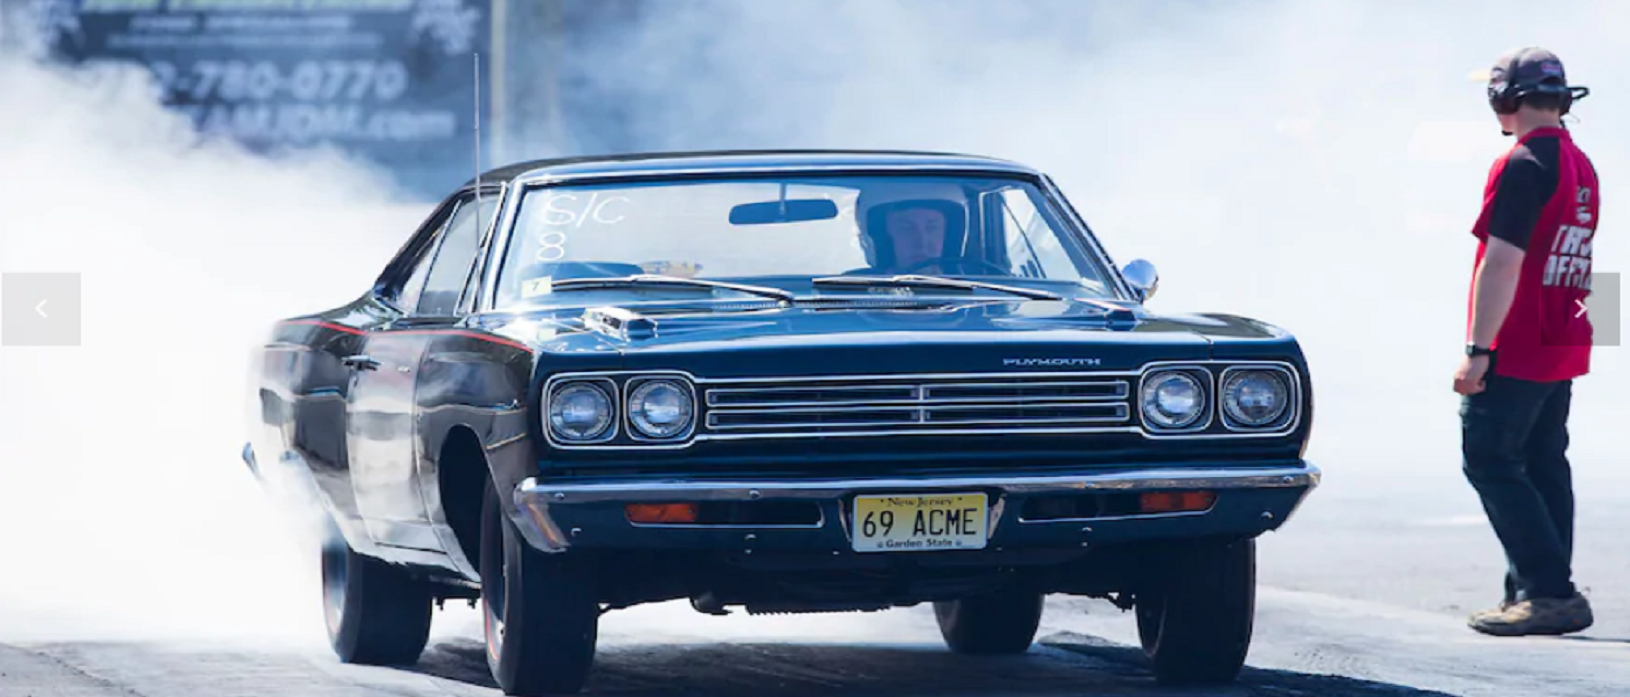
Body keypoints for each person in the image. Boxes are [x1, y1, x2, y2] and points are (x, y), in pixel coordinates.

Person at [1456, 47, 1598, 637]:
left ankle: (1548, 591)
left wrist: (1477, 349)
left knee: (1489, 458)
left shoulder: (1521, 163)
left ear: (1505, 99)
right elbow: (1588, 252)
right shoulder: (1582, 163)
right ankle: (1535, 589)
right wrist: (1590, 339)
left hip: (1519, 340)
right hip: (1565, 332)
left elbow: (1503, 263)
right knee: (1543, 461)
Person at [853, 181, 971, 275]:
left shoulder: (977, 293)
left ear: (949, 234)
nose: (921, 242)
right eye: (906, 228)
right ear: (883, 235)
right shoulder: (853, 293)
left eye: (932, 227)